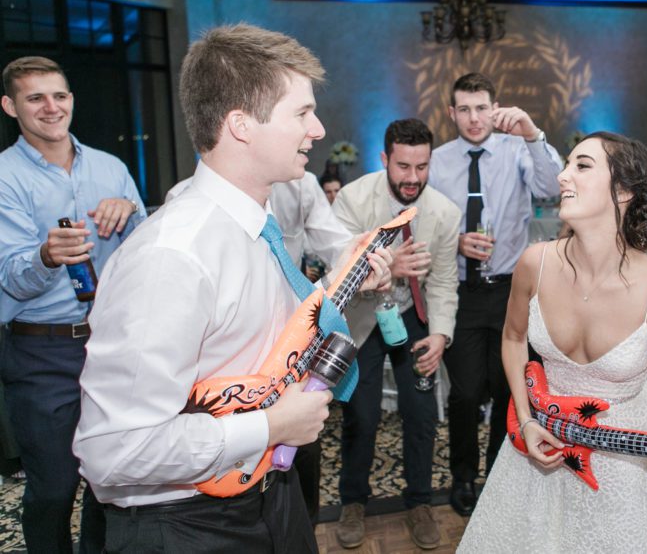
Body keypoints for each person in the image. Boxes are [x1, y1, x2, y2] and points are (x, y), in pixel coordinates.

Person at [72, 24, 390, 552]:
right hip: (187, 521)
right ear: (241, 125)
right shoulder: (172, 256)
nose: (317, 129)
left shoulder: (256, 228)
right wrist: (270, 426)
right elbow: (116, 449)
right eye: (302, 113)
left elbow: (264, 345)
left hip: (268, 491)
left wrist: (345, 279)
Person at [458, 131, 647, 552]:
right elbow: (513, 338)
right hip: (545, 441)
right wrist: (525, 420)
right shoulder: (535, 263)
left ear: (623, 192)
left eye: (582, 166)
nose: (563, 176)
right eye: (567, 165)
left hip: (630, 459)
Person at [0, 56, 145, 554]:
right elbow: (11, 279)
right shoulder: (4, 176)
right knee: (54, 488)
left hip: (111, 343)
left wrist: (131, 214)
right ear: (10, 106)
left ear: (71, 100)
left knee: (110, 481)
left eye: (59, 95)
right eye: (35, 98)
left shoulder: (111, 167)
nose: (51, 107)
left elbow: (146, 256)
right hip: (41, 352)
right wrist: (45, 255)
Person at [166, 168, 355, 525]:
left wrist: (352, 266)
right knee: (237, 498)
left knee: (302, 469)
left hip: (292, 362)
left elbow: (332, 251)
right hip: (231, 393)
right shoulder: (183, 206)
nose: (313, 137)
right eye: (300, 120)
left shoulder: (301, 186)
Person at [429, 72, 561, 515]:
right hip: (461, 292)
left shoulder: (517, 149)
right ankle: (463, 476)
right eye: (464, 109)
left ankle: (501, 476)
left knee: (509, 388)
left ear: (494, 108)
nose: (473, 118)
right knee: (465, 393)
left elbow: (551, 188)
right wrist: (454, 241)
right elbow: (422, 221)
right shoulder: (438, 161)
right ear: (452, 113)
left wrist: (532, 134)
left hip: (510, 291)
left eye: (481, 108)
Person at [331, 118, 460, 550]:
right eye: (403, 166)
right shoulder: (352, 200)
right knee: (361, 415)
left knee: (421, 415)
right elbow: (337, 269)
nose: (413, 178)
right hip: (364, 318)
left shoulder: (444, 212)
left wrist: (440, 335)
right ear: (384, 158)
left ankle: (419, 503)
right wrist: (390, 264)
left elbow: (444, 281)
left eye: (422, 167)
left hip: (414, 317)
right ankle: (353, 501)